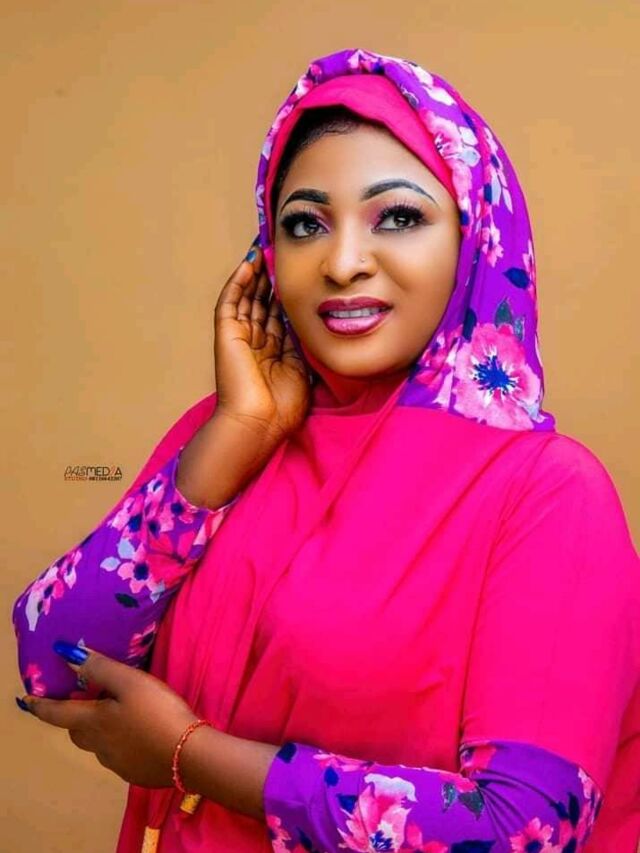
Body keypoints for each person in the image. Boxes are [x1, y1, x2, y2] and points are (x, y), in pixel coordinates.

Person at [11, 46, 639, 853]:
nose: (342, 264)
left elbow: (523, 826)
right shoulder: (234, 432)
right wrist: (237, 435)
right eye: (305, 224)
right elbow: (52, 660)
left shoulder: (546, 493)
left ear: (475, 236)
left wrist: (193, 757)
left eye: (398, 217)